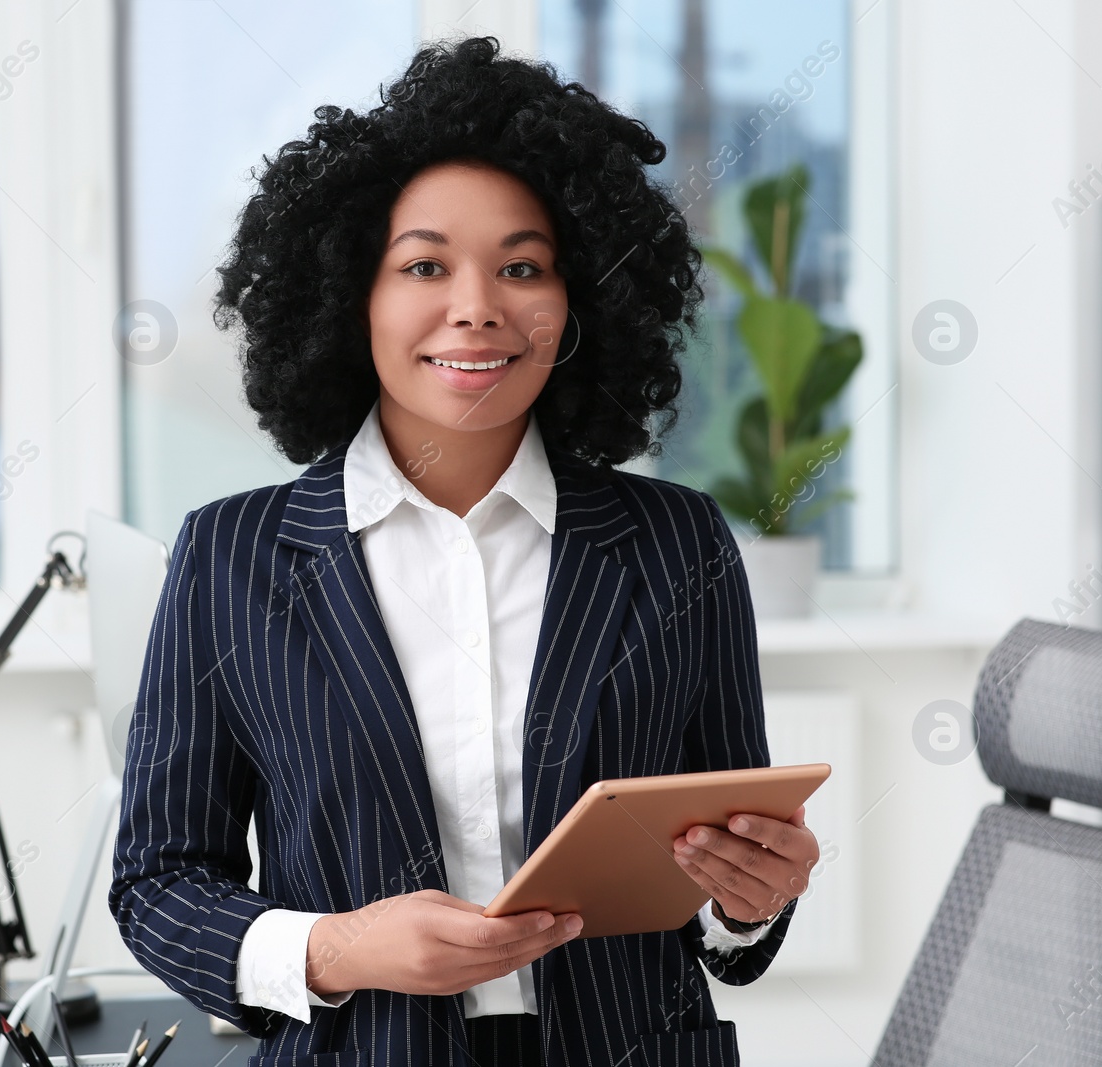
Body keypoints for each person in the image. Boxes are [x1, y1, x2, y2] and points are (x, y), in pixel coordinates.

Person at [108, 34, 820, 1067]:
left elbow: (727, 905)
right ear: (353, 293)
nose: (477, 305)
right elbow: (159, 881)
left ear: (579, 300)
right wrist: (337, 946)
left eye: (522, 266)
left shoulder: (675, 541)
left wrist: (749, 904)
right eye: (424, 264)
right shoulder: (232, 555)